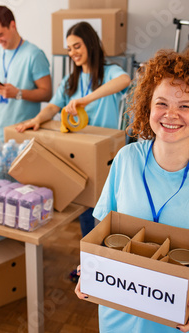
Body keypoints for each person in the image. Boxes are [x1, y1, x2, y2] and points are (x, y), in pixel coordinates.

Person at [74, 48, 189, 333]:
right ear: (148, 106)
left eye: (185, 106)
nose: (171, 115)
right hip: (120, 315)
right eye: (161, 103)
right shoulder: (127, 159)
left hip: (181, 319)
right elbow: (104, 226)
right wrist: (92, 265)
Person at [15, 21, 131, 237]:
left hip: (106, 154)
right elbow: (52, 106)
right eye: (69, 49)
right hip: (81, 153)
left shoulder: (109, 72)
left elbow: (125, 80)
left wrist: (85, 100)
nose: (73, 53)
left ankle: (106, 258)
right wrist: (38, 119)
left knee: (107, 210)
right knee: (86, 208)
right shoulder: (71, 80)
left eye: (77, 46)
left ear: (90, 44)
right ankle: (87, 263)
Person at [0, 5, 52, 142]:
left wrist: (18, 93)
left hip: (21, 134)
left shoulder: (34, 55)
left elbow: (47, 94)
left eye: (0, 35)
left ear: (12, 25)